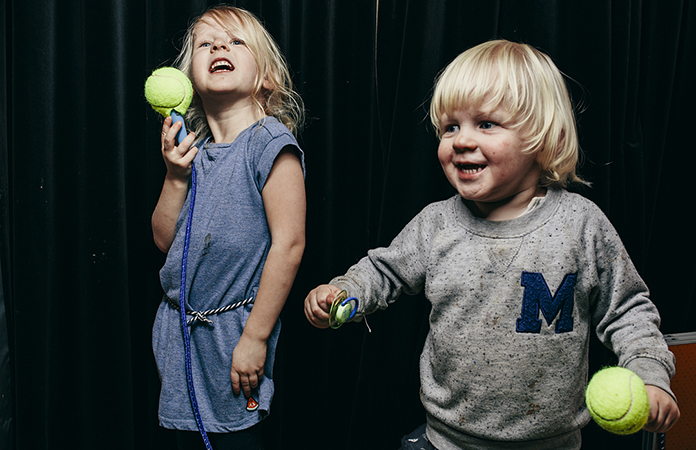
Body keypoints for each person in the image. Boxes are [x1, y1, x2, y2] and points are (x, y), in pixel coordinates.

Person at [304, 40, 680, 450]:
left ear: (541, 135)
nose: (461, 140)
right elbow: (384, 271)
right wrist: (345, 292)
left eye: (485, 124)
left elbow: (628, 311)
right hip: (444, 442)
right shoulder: (437, 223)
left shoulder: (582, 225)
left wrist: (650, 374)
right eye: (450, 127)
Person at [152, 5, 305, 449]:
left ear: (266, 77)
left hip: (233, 336)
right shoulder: (191, 153)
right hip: (178, 335)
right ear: (188, 81)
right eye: (206, 43)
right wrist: (175, 175)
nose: (219, 46)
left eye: (236, 41)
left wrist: (255, 338)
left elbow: (289, 245)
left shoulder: (270, 143)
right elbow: (165, 242)